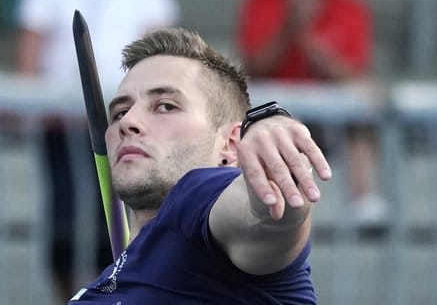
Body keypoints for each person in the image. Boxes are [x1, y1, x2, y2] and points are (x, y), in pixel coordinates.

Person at [67, 28, 331, 304]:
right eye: (120, 112)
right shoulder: (102, 287)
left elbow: (268, 216)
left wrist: (271, 130)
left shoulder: (195, 198)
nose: (127, 122)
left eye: (165, 106)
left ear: (231, 144)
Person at [15, 0, 178, 302]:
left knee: (118, 221)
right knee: (64, 218)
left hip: (126, 125)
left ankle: (117, 295)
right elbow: (32, 39)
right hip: (62, 124)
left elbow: (161, 45)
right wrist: (27, 100)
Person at [237, 0, 386, 225]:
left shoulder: (350, 6)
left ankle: (363, 200)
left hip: (333, 117)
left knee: (362, 120)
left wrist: (311, 44)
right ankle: (283, 205)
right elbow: (254, 67)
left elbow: (355, 75)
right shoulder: (261, 1)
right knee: (283, 126)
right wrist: (288, 29)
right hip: (278, 112)